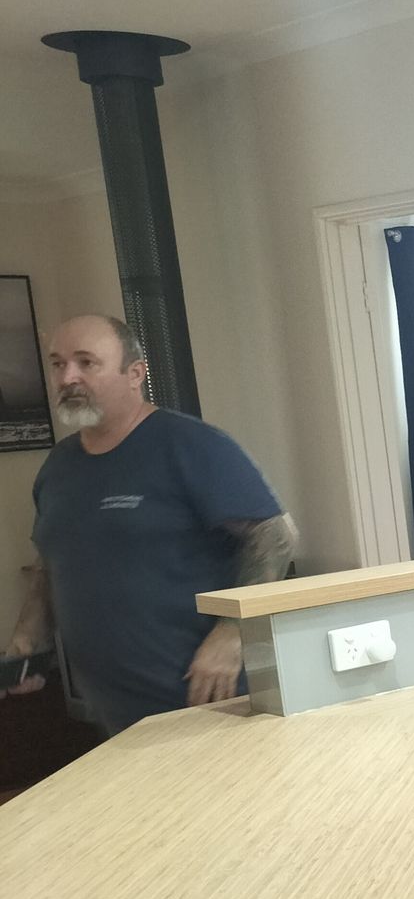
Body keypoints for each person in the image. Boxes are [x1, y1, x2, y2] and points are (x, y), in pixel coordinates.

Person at [5, 315, 296, 735]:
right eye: (58, 364)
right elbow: (51, 561)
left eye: (87, 363)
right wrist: (26, 643)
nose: (68, 376)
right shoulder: (58, 468)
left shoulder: (194, 446)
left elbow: (275, 537)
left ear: (135, 373)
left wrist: (234, 633)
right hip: (114, 707)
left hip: (206, 699)